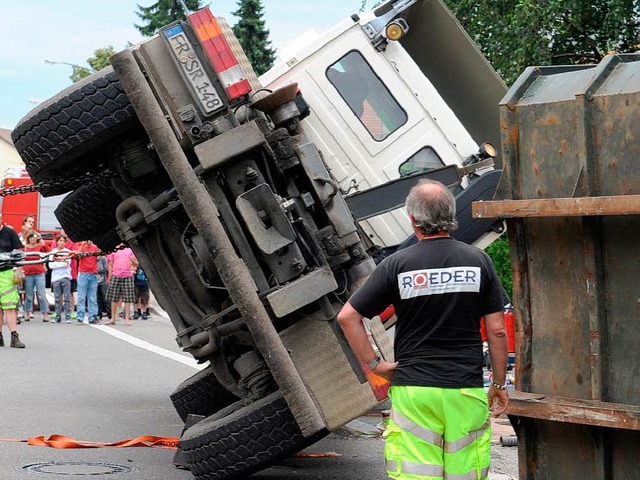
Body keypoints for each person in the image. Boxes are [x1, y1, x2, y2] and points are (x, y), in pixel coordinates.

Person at [337, 179, 508, 480]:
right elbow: (496, 332)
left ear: (413, 219)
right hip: (464, 392)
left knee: (418, 473)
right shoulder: (478, 261)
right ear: (452, 216)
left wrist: (377, 365)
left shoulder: (397, 265)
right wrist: (499, 383)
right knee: (465, 472)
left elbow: (348, 317)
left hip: (415, 392)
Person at [0, 214, 25, 348]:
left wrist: (19, 270)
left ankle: (14, 336)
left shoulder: (9, 233)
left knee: (9, 306)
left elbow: (19, 251)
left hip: (7, 273)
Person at [105, 245, 138, 326]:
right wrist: (109, 275)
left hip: (128, 275)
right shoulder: (114, 249)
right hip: (115, 274)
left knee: (128, 298)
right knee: (114, 298)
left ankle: (127, 318)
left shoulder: (129, 250)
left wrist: (132, 262)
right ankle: (113, 318)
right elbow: (110, 263)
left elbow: (136, 264)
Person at [23, 231, 51, 321]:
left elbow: (49, 251)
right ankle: (27, 312)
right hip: (28, 274)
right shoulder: (25, 247)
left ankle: (45, 313)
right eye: (31, 237)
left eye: (34, 237)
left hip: (39, 273)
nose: (32, 239)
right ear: (28, 238)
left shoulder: (40, 246)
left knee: (41, 295)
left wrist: (42, 241)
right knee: (29, 295)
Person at [75, 240, 100, 324]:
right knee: (81, 296)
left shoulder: (95, 247)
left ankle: (93, 316)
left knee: (92, 297)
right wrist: (82, 245)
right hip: (83, 273)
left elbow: (100, 256)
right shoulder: (81, 246)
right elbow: (77, 255)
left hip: (93, 273)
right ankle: (80, 316)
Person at [49, 234, 73, 323]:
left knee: (67, 298)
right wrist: (60, 263)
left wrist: (59, 264)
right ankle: (57, 316)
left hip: (65, 277)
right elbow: (50, 265)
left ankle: (67, 316)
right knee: (57, 298)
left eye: (63, 241)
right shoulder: (53, 252)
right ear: (57, 242)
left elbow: (66, 263)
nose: (62, 243)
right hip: (56, 278)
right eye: (60, 241)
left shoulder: (67, 252)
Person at [96, 255, 111, 319]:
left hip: (103, 280)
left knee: (105, 298)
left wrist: (96, 270)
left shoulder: (103, 258)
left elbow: (106, 268)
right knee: (97, 298)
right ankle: (99, 314)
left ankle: (110, 314)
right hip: (95, 280)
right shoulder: (92, 258)